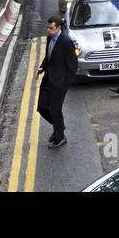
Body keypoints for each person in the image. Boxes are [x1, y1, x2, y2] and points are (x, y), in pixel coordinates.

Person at [36, 14, 79, 147]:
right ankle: (59, 127)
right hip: (48, 79)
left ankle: (60, 138)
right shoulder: (50, 38)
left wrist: (65, 83)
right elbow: (49, 56)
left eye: (51, 28)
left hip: (60, 83)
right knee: (42, 108)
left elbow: (73, 65)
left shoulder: (66, 42)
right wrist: (42, 67)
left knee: (55, 110)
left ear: (59, 28)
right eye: (48, 28)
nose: (48, 31)